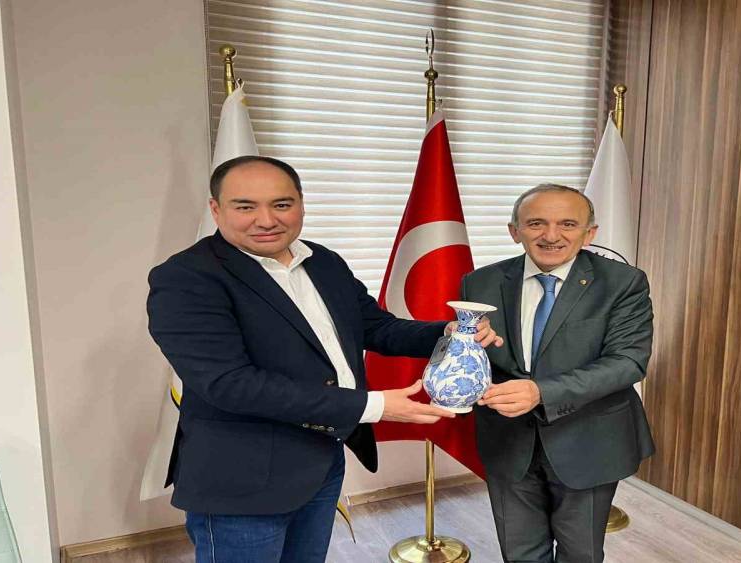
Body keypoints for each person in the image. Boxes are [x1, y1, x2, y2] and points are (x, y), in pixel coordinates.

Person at [147, 155, 501, 562]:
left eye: (281, 204)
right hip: (241, 481)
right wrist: (375, 406)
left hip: (321, 461)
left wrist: (447, 333)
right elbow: (230, 385)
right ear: (216, 209)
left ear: (300, 203)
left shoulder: (323, 261)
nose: (266, 220)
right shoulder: (186, 278)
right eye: (245, 206)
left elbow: (376, 327)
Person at [460, 183, 655, 563]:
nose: (551, 236)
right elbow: (473, 356)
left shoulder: (623, 283)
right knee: (520, 553)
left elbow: (628, 361)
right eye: (536, 223)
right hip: (506, 441)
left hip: (588, 440)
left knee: (579, 553)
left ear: (589, 233)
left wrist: (541, 392)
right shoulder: (479, 282)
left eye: (568, 224)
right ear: (514, 231)